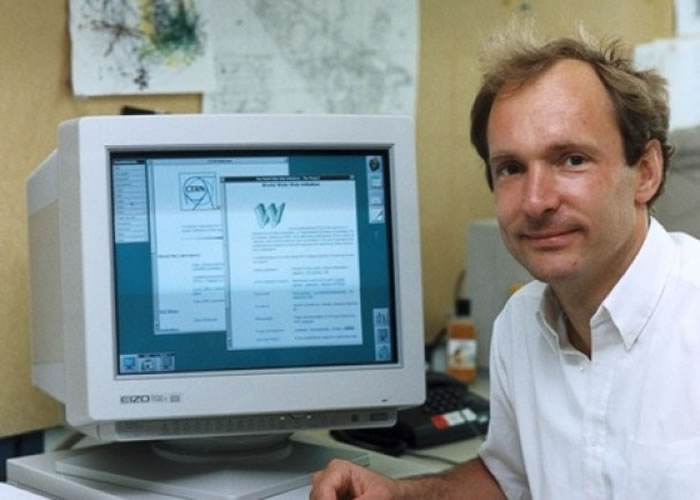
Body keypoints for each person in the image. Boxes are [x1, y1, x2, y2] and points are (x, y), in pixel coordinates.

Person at [310, 25, 700, 500]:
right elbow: (509, 479)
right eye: (511, 168)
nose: (535, 201)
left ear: (646, 172)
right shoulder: (520, 325)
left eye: (572, 159)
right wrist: (400, 494)